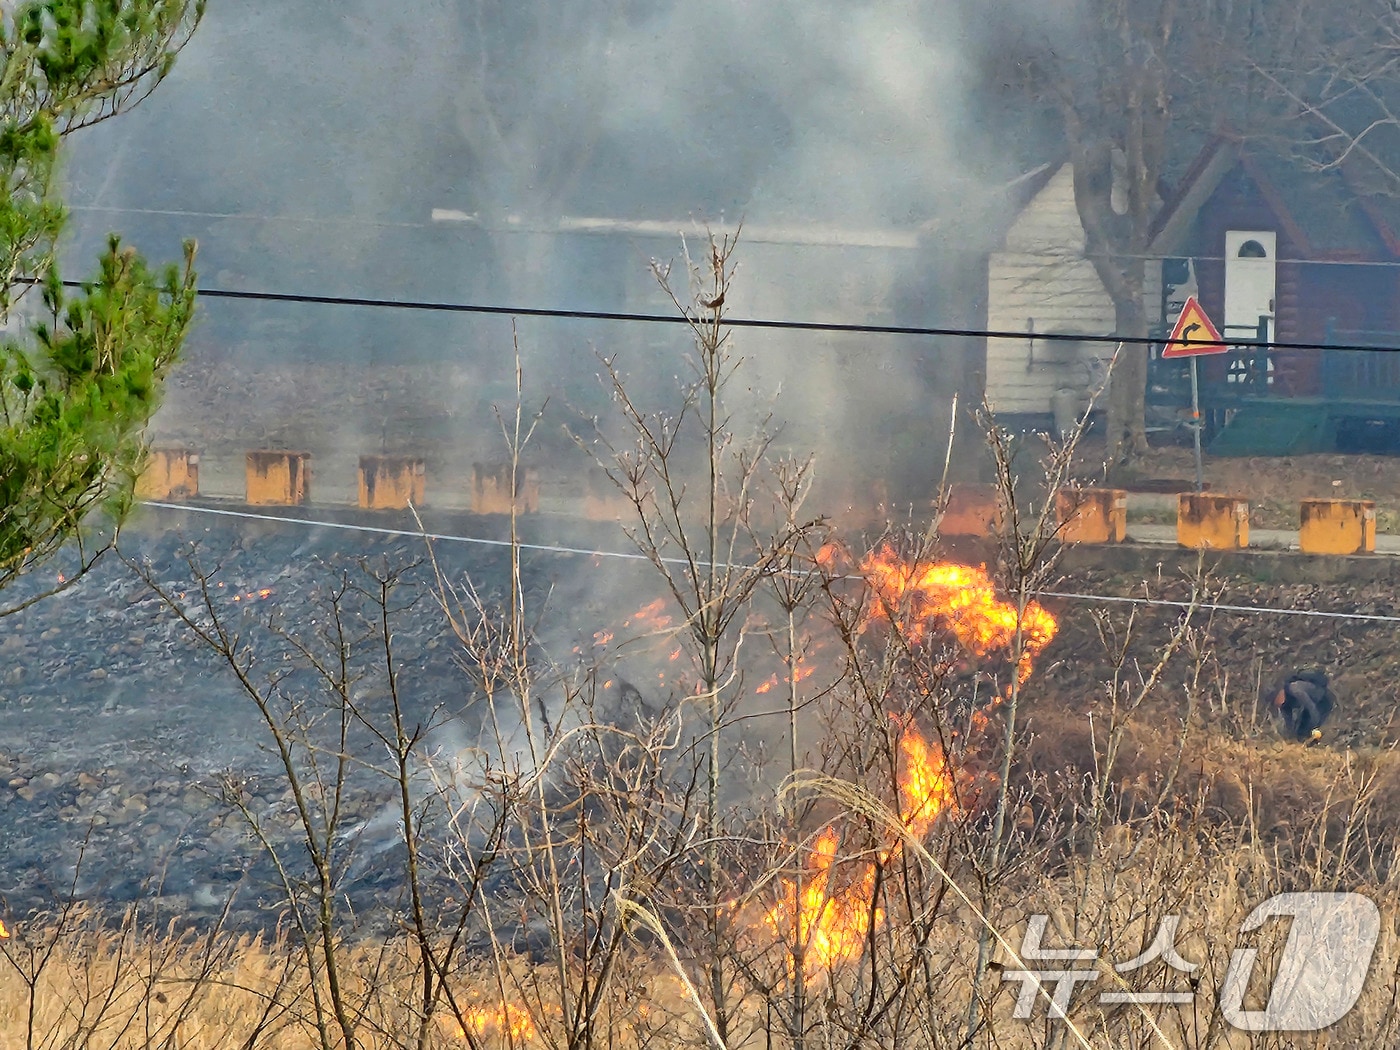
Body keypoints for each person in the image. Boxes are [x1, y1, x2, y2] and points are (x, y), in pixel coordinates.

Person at [1268, 670, 1335, 742]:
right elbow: (1289, 725)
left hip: (1323, 700)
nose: (1279, 706)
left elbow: (1311, 708)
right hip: (1311, 706)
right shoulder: (1285, 705)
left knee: (1313, 728)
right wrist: (1289, 738)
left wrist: (1314, 726)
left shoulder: (1295, 689)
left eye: (1277, 702)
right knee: (1301, 732)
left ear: (1280, 694)